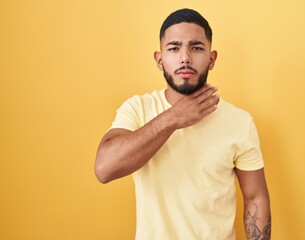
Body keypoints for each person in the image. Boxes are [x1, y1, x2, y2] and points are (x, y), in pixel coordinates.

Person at [95, 8, 271, 240]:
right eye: (174, 48)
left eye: (196, 47)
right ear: (159, 60)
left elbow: (255, 196)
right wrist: (174, 118)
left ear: (212, 58)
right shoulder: (138, 109)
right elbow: (104, 169)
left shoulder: (239, 121)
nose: (185, 57)